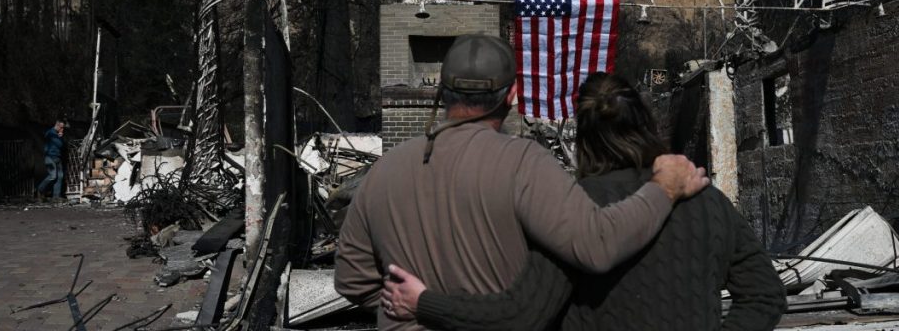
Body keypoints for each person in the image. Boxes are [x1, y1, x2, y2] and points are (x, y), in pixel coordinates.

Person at [335, 35, 710, 331]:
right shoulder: (523, 163)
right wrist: (664, 188)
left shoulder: (383, 172)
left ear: (442, 93)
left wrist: (413, 307)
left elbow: (352, 280)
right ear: (511, 96)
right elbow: (598, 245)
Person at [381, 72, 787, 331]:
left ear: (586, 139)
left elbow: (521, 315)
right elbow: (766, 294)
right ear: (646, 124)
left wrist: (424, 302)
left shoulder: (574, 208)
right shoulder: (707, 200)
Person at [36, 119, 65, 201]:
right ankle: (40, 189)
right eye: (61, 127)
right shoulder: (51, 133)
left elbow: (61, 145)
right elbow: (59, 144)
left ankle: (56, 196)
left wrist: (60, 137)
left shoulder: (56, 134)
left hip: (57, 157)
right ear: (57, 125)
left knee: (59, 177)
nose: (62, 129)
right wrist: (60, 138)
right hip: (50, 157)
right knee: (53, 176)